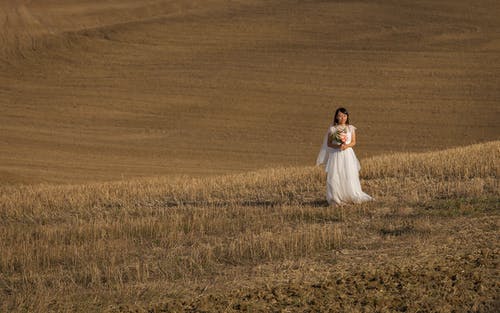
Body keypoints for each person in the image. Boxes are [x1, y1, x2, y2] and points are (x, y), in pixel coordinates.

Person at [316, 107, 372, 205]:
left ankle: (350, 194)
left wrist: (346, 146)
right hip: (336, 155)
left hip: (347, 154)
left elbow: (354, 142)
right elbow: (329, 144)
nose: (342, 118)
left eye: (344, 116)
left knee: (349, 173)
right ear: (336, 117)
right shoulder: (332, 129)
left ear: (347, 117)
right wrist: (338, 145)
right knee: (336, 174)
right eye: (340, 116)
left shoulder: (351, 128)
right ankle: (336, 197)